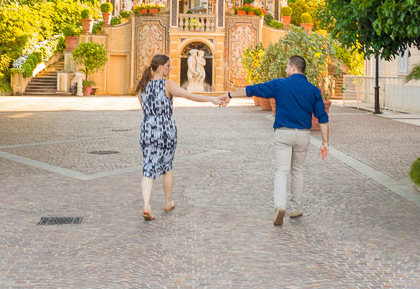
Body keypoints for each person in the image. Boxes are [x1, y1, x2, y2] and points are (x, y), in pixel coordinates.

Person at [224, 55, 329, 226]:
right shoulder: (313, 90)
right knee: (298, 171)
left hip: (283, 133)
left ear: (293, 67)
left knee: (282, 170)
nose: (286, 69)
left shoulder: (280, 84)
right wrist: (325, 143)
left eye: (287, 66)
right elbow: (323, 117)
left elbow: (253, 90)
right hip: (303, 135)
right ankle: (295, 208)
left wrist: (230, 94)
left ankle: (280, 205)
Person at [137, 54, 224, 221]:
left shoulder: (142, 86)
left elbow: (145, 109)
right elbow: (189, 95)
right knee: (167, 166)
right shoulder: (166, 84)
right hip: (166, 130)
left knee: (148, 166)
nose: (169, 69)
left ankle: (146, 205)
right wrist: (211, 99)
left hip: (148, 128)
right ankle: (168, 202)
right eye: (168, 66)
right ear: (161, 67)